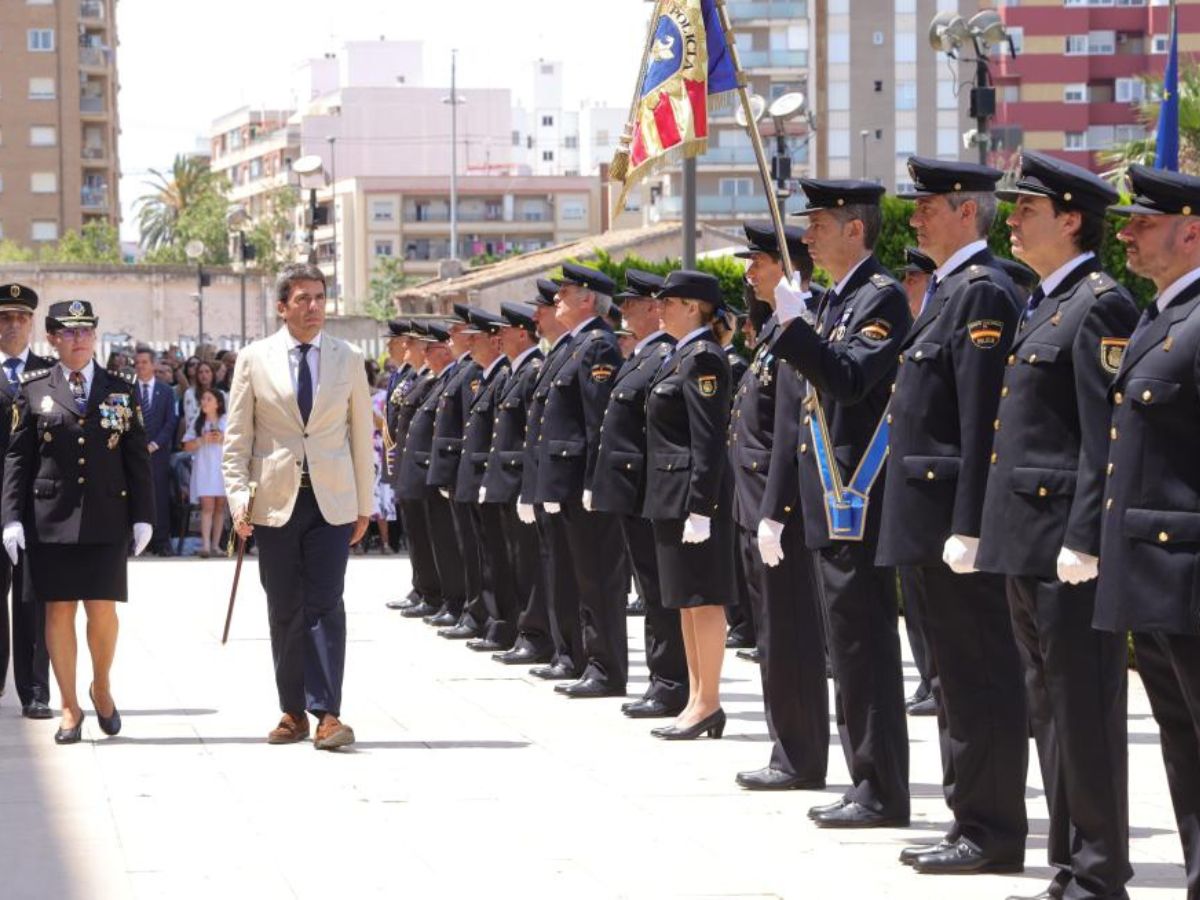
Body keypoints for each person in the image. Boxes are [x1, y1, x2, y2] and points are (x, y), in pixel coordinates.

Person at [977, 151, 1139, 900]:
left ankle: (1100, 870)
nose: (1012, 218)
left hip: (1064, 546)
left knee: (1084, 708)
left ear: (1071, 218)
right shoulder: (1043, 301)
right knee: (1049, 706)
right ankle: (1070, 864)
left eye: (1028, 208)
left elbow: (1102, 433)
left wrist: (1084, 537)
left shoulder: (1099, 303)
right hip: (1028, 539)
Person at [880, 157, 1028, 874]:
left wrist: (971, 523)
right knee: (952, 677)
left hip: (951, 522)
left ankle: (991, 828)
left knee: (979, 675)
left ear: (968, 211)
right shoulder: (946, 291)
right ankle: (969, 818)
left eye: (929, 204)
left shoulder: (983, 293)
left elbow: (980, 420)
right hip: (929, 518)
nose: (915, 215)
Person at [767, 181, 913, 826]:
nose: (807, 235)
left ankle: (881, 788)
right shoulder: (841, 300)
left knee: (864, 648)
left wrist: (797, 328)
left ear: (855, 229)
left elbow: (850, 381)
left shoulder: (878, 296)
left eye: (820, 222)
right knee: (845, 646)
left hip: (858, 493)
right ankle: (865, 780)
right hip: (828, 498)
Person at [1096, 165, 1200, 900]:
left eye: (1143, 220)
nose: (1126, 231)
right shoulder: (1162, 317)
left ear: (1191, 230)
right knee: (1183, 747)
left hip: (1191, 576)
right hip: (1158, 578)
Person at [223, 263, 374, 751]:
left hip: (332, 501)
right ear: (282, 306)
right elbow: (236, 440)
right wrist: (239, 499)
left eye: (320, 297)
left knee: (326, 603)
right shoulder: (254, 359)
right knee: (284, 605)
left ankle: (328, 712)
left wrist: (366, 506)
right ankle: (293, 711)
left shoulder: (348, 358)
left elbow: (360, 435)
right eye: (303, 298)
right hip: (274, 502)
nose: (314, 307)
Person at [2, 300, 154, 744]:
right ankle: (69, 705)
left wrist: (144, 515)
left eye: (86, 330)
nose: (79, 339)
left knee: (102, 611)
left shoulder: (119, 389)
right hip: (49, 517)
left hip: (107, 515)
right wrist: (11, 517)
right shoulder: (34, 389)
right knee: (58, 610)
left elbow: (136, 457)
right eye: (69, 332)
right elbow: (18, 459)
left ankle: (101, 685)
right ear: (52, 337)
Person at [729, 221, 830, 792]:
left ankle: (799, 754)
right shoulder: (775, 329)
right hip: (754, 504)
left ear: (789, 268)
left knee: (789, 636)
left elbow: (791, 429)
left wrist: (774, 511)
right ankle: (785, 746)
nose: (750, 272)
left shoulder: (799, 327)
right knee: (773, 636)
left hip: (778, 507)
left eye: (760, 262)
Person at [590, 269, 687, 719]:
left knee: (659, 593)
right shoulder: (641, 357)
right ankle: (660, 678)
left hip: (649, 489)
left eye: (632, 304)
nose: (623, 312)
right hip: (631, 491)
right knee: (649, 591)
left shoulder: (665, 355)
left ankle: (671, 683)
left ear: (654, 307)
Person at [643, 269, 735, 740]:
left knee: (704, 599)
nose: (660, 308)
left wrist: (702, 507)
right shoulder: (678, 356)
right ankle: (698, 698)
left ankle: (709, 700)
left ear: (695, 307)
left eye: (670, 301)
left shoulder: (703, 360)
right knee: (684, 601)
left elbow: (709, 440)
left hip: (693, 501)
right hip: (670, 496)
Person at [538, 263, 628, 698]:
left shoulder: (598, 348)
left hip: (581, 480)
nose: (557, 298)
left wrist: (595, 480)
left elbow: (599, 423)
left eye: (566, 291)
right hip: (563, 479)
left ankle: (606, 667)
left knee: (598, 578)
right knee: (576, 574)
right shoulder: (571, 346)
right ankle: (580, 656)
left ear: (588, 299)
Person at [478, 302, 547, 658]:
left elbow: (531, 435)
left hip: (520, 481)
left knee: (528, 563)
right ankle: (522, 630)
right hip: (505, 480)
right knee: (512, 561)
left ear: (522, 332)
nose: (498, 338)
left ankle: (534, 635)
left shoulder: (533, 369)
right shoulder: (514, 373)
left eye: (503, 331)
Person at [0, 283, 54, 719]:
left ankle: (35, 689)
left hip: (35, 507)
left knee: (32, 601)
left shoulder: (49, 373)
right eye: (5, 317)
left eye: (21, 317)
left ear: (32, 323)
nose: (13, 324)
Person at [891, 248, 939, 719]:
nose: (907, 285)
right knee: (917, 596)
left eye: (913, 277)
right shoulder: (914, 329)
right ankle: (930, 679)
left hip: (933, 490)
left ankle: (938, 681)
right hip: (908, 487)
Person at [394, 323, 465, 622]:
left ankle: (450, 600)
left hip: (434, 473)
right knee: (428, 539)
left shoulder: (453, 378)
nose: (425, 354)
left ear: (445, 351)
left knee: (446, 542)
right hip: (418, 471)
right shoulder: (432, 380)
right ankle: (433, 593)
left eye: (430, 348)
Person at [452, 308, 511, 648]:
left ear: (495, 340)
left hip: (494, 478)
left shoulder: (501, 374)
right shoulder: (487, 375)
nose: (470, 345)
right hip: (477, 477)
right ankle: (492, 621)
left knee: (498, 558)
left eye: (477, 339)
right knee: (485, 555)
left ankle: (501, 624)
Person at [426, 307, 484, 636]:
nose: (451, 338)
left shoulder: (471, 372)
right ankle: (467, 609)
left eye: (457, 331)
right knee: (463, 546)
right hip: (457, 472)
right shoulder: (458, 372)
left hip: (469, 472)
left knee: (472, 551)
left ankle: (473, 612)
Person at [133, 345, 179, 556]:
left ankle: (160, 541)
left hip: (158, 454)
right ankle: (135, 543)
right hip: (134, 454)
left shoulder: (166, 391)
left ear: (153, 365)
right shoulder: (128, 390)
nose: (140, 366)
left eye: (144, 362)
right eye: (137, 362)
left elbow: (171, 422)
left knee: (159, 496)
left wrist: (155, 444)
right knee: (135, 496)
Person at [181, 388, 229, 558]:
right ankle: (206, 545)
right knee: (207, 505)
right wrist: (202, 440)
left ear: (218, 403)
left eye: (208, 399)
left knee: (220, 506)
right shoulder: (198, 421)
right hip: (204, 467)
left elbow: (237, 441)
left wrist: (222, 438)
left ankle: (216, 545)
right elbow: (186, 445)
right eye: (203, 399)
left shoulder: (226, 420)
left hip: (222, 467)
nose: (204, 402)